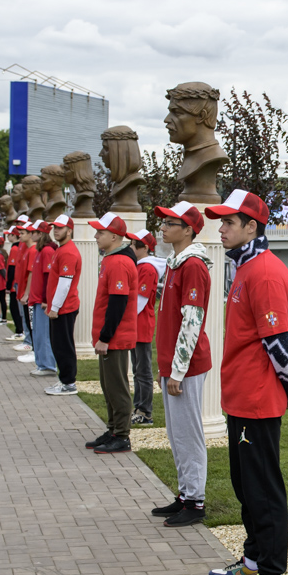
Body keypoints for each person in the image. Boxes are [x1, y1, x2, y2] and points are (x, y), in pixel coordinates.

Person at [204, 190, 288, 575]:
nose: (221, 228)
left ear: (252, 227)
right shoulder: (245, 268)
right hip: (241, 396)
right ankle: (251, 561)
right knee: (245, 485)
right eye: (222, 221)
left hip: (258, 400)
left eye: (229, 222)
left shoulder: (263, 272)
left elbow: (277, 341)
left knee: (263, 489)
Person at [150, 202, 212, 527]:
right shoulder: (176, 263)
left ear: (187, 229)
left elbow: (192, 320)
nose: (162, 227)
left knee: (189, 433)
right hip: (172, 365)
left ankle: (196, 502)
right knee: (177, 434)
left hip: (185, 366)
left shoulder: (193, 266)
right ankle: (186, 495)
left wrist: (177, 370)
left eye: (170, 222)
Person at [84, 212, 138, 454]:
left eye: (101, 232)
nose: (96, 236)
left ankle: (122, 435)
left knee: (117, 387)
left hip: (115, 337)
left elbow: (118, 304)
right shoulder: (111, 259)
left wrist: (105, 337)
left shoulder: (119, 262)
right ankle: (114, 428)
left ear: (115, 236)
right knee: (108, 386)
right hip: (109, 337)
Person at [126, 228, 167, 425]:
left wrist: (124, 320)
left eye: (133, 244)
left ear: (143, 248)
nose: (130, 247)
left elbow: (140, 301)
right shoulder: (142, 266)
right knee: (137, 368)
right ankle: (139, 407)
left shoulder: (146, 269)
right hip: (137, 324)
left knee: (142, 370)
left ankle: (145, 412)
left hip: (140, 325)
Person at [45, 215, 82, 396]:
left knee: (63, 345)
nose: (56, 230)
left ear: (69, 230)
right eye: (55, 228)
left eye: (60, 228)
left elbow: (65, 283)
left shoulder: (67, 251)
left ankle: (68, 383)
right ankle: (65, 380)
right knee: (59, 344)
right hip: (61, 306)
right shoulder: (61, 249)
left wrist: (55, 307)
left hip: (64, 307)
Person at [26, 221, 57, 377]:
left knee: (43, 334)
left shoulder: (46, 251)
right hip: (37, 299)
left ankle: (48, 365)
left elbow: (48, 275)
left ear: (40, 234)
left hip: (42, 300)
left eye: (34, 232)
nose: (31, 234)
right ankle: (41, 363)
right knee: (37, 332)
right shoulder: (39, 250)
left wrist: (46, 299)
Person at [14, 224, 37, 357]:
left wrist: (26, 293)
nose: (20, 235)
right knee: (27, 319)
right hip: (23, 290)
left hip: (27, 293)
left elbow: (31, 273)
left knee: (30, 320)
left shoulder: (32, 251)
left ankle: (32, 346)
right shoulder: (27, 250)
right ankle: (30, 343)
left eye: (22, 233)